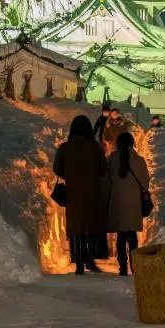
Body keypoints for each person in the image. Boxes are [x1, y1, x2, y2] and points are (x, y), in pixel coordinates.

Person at [53, 115, 107, 274]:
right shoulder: (95, 148)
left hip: (73, 193)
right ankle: (90, 259)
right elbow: (103, 169)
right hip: (92, 193)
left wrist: (70, 175)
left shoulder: (65, 148)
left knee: (76, 228)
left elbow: (57, 169)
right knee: (90, 226)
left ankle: (78, 263)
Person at [105, 131, 151, 276]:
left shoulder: (112, 159)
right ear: (132, 143)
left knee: (121, 236)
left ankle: (123, 267)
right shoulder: (139, 160)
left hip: (118, 203)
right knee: (132, 236)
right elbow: (145, 182)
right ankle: (134, 265)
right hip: (134, 204)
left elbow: (107, 179)